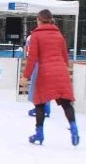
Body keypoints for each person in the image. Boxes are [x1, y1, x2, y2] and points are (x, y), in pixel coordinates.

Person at [22, 9, 79, 146]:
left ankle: (39, 134)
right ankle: (74, 129)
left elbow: (32, 58)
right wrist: (63, 69)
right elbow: (65, 56)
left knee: (40, 103)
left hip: (45, 72)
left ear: (39, 20)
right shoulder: (59, 35)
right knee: (66, 103)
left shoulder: (36, 35)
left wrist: (26, 76)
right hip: (61, 71)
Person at [25, 31, 51, 118]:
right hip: (45, 62)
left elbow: (29, 51)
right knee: (43, 85)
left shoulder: (33, 37)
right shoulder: (50, 36)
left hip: (38, 62)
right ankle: (45, 108)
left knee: (37, 84)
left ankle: (42, 108)